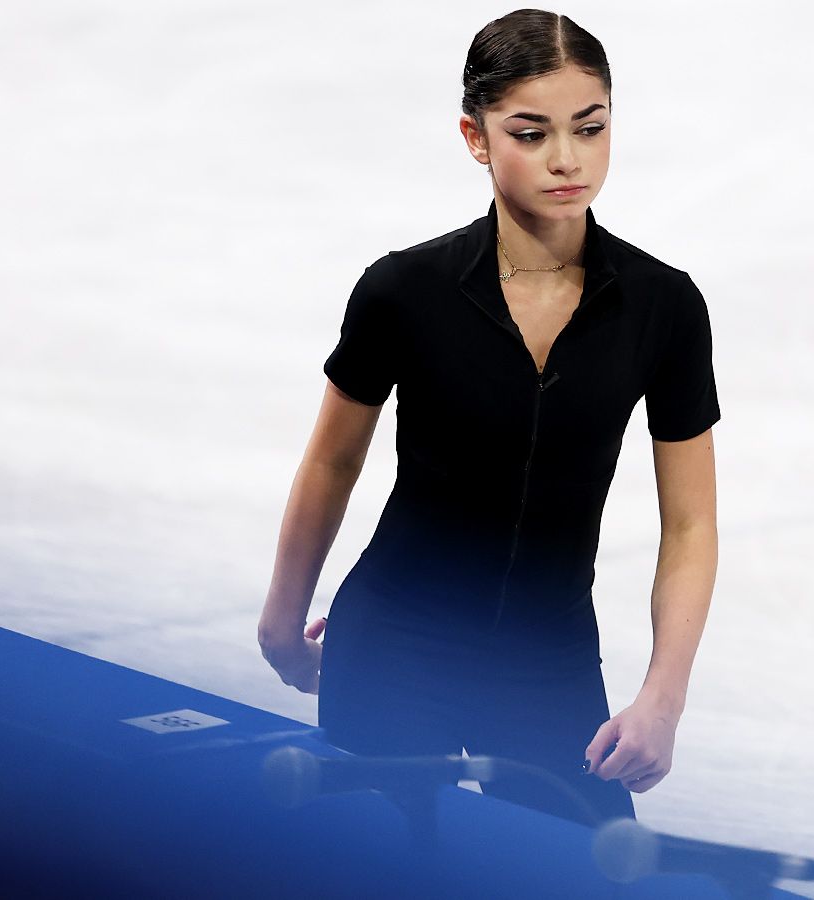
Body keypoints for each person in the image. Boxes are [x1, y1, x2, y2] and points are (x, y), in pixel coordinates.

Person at [258, 9, 720, 827]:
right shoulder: (404, 290)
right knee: (390, 874)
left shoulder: (665, 306)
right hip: (394, 645)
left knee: (580, 874)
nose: (567, 159)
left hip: (548, 661)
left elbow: (689, 523)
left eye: (590, 128)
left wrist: (663, 699)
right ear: (476, 138)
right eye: (531, 134)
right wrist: (281, 621)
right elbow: (332, 461)